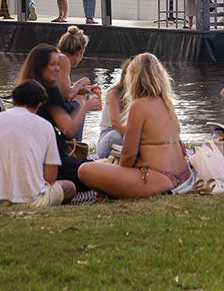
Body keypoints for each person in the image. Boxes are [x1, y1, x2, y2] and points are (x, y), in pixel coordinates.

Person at [78, 53, 190, 198]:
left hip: (159, 177)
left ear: (134, 79)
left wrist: (119, 176)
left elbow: (128, 155)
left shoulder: (138, 105)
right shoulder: (167, 102)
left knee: (85, 170)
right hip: (182, 174)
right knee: (104, 167)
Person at [0, 79, 75, 206]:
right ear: (39, 105)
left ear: (14, 100)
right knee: (69, 187)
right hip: (29, 202)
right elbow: (51, 177)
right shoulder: (46, 127)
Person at [16, 45, 101, 191]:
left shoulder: (24, 88)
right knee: (97, 173)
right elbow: (68, 129)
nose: (57, 68)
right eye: (53, 65)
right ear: (40, 66)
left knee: (94, 168)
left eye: (58, 64)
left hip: (30, 160)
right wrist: (85, 107)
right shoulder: (49, 90)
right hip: (51, 162)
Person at [56, 26, 93, 141]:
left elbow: (62, 91)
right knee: (80, 103)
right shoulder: (63, 60)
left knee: (78, 97)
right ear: (79, 52)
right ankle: (75, 146)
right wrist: (80, 82)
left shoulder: (56, 57)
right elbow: (67, 96)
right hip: (48, 107)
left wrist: (80, 90)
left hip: (43, 103)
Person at [96, 57, 133, 159]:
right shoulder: (114, 93)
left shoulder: (139, 96)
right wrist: (136, 137)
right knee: (116, 135)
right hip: (108, 137)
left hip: (126, 136)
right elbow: (116, 124)